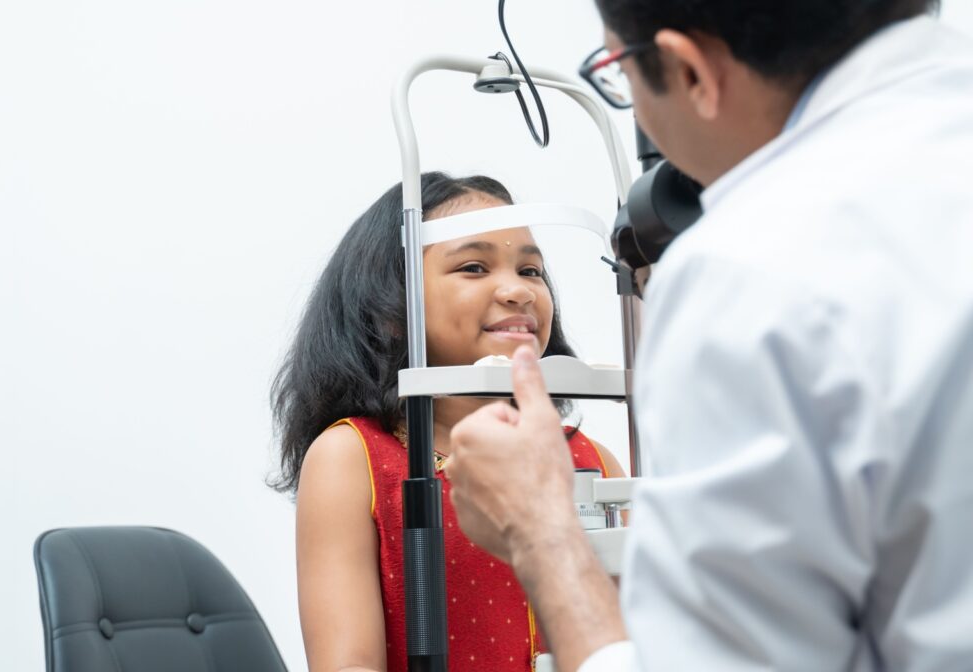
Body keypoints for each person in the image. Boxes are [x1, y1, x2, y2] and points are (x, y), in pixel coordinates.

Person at [446, 1, 973, 671]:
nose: (516, 289)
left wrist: (541, 535)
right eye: (471, 265)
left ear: (691, 71)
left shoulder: (750, 267)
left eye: (617, 69)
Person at [270, 172, 625, 671]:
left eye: (531, 270)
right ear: (390, 307)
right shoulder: (352, 460)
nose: (519, 291)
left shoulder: (593, 462)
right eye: (475, 266)